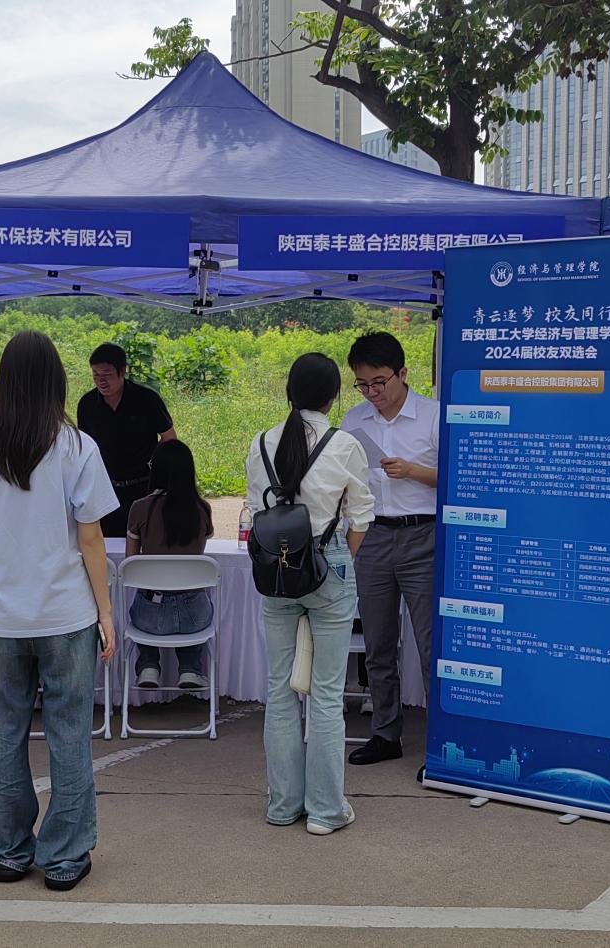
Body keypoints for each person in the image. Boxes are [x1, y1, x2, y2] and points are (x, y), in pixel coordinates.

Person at [0, 330, 118, 891]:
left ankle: (9, 852)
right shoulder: (77, 447)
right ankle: (64, 857)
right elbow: (91, 538)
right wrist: (106, 614)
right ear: (56, 382)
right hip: (66, 614)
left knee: (3, 732)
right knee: (69, 733)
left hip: (1, 617)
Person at [247, 353, 373, 835]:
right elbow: (361, 516)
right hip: (328, 566)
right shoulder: (344, 444)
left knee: (280, 691)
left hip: (276, 572)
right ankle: (325, 811)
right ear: (334, 396)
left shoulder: (262, 441)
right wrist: (337, 558)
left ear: (289, 392)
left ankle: (283, 806)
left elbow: (253, 509)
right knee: (325, 694)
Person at [341, 332, 439, 766]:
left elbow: (463, 475)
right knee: (378, 643)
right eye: (363, 384)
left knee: (431, 644)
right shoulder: (354, 420)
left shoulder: (433, 416)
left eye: (379, 382)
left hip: (424, 536)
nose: (372, 392)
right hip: (373, 535)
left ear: (402, 373)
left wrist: (413, 471)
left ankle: (442, 743)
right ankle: (385, 734)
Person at [125, 439, 215, 690]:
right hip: (194, 615)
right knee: (198, 599)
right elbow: (200, 549)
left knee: (140, 604)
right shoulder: (202, 509)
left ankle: (148, 665)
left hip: (150, 615)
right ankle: (190, 669)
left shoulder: (139, 508)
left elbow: (130, 563)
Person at [77, 343, 176, 537]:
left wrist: (158, 469)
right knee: (107, 543)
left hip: (144, 487)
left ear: (122, 371)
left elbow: (169, 438)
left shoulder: (147, 399)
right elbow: (83, 446)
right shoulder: (87, 405)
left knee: (146, 539)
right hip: (104, 489)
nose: (101, 381)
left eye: (107, 374)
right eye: (96, 374)